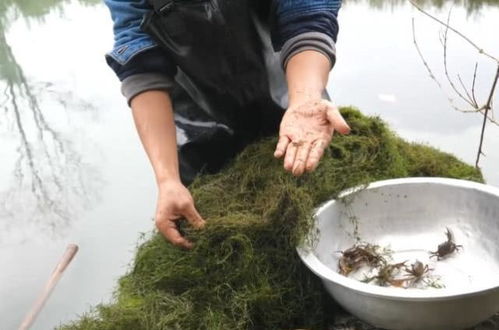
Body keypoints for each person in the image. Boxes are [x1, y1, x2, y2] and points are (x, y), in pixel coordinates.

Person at [104, 0, 350, 249]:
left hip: (295, 107)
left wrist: (306, 99)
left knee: (324, 223)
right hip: (197, 129)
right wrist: (167, 179)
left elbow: (306, 14)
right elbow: (140, 60)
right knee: (213, 240)